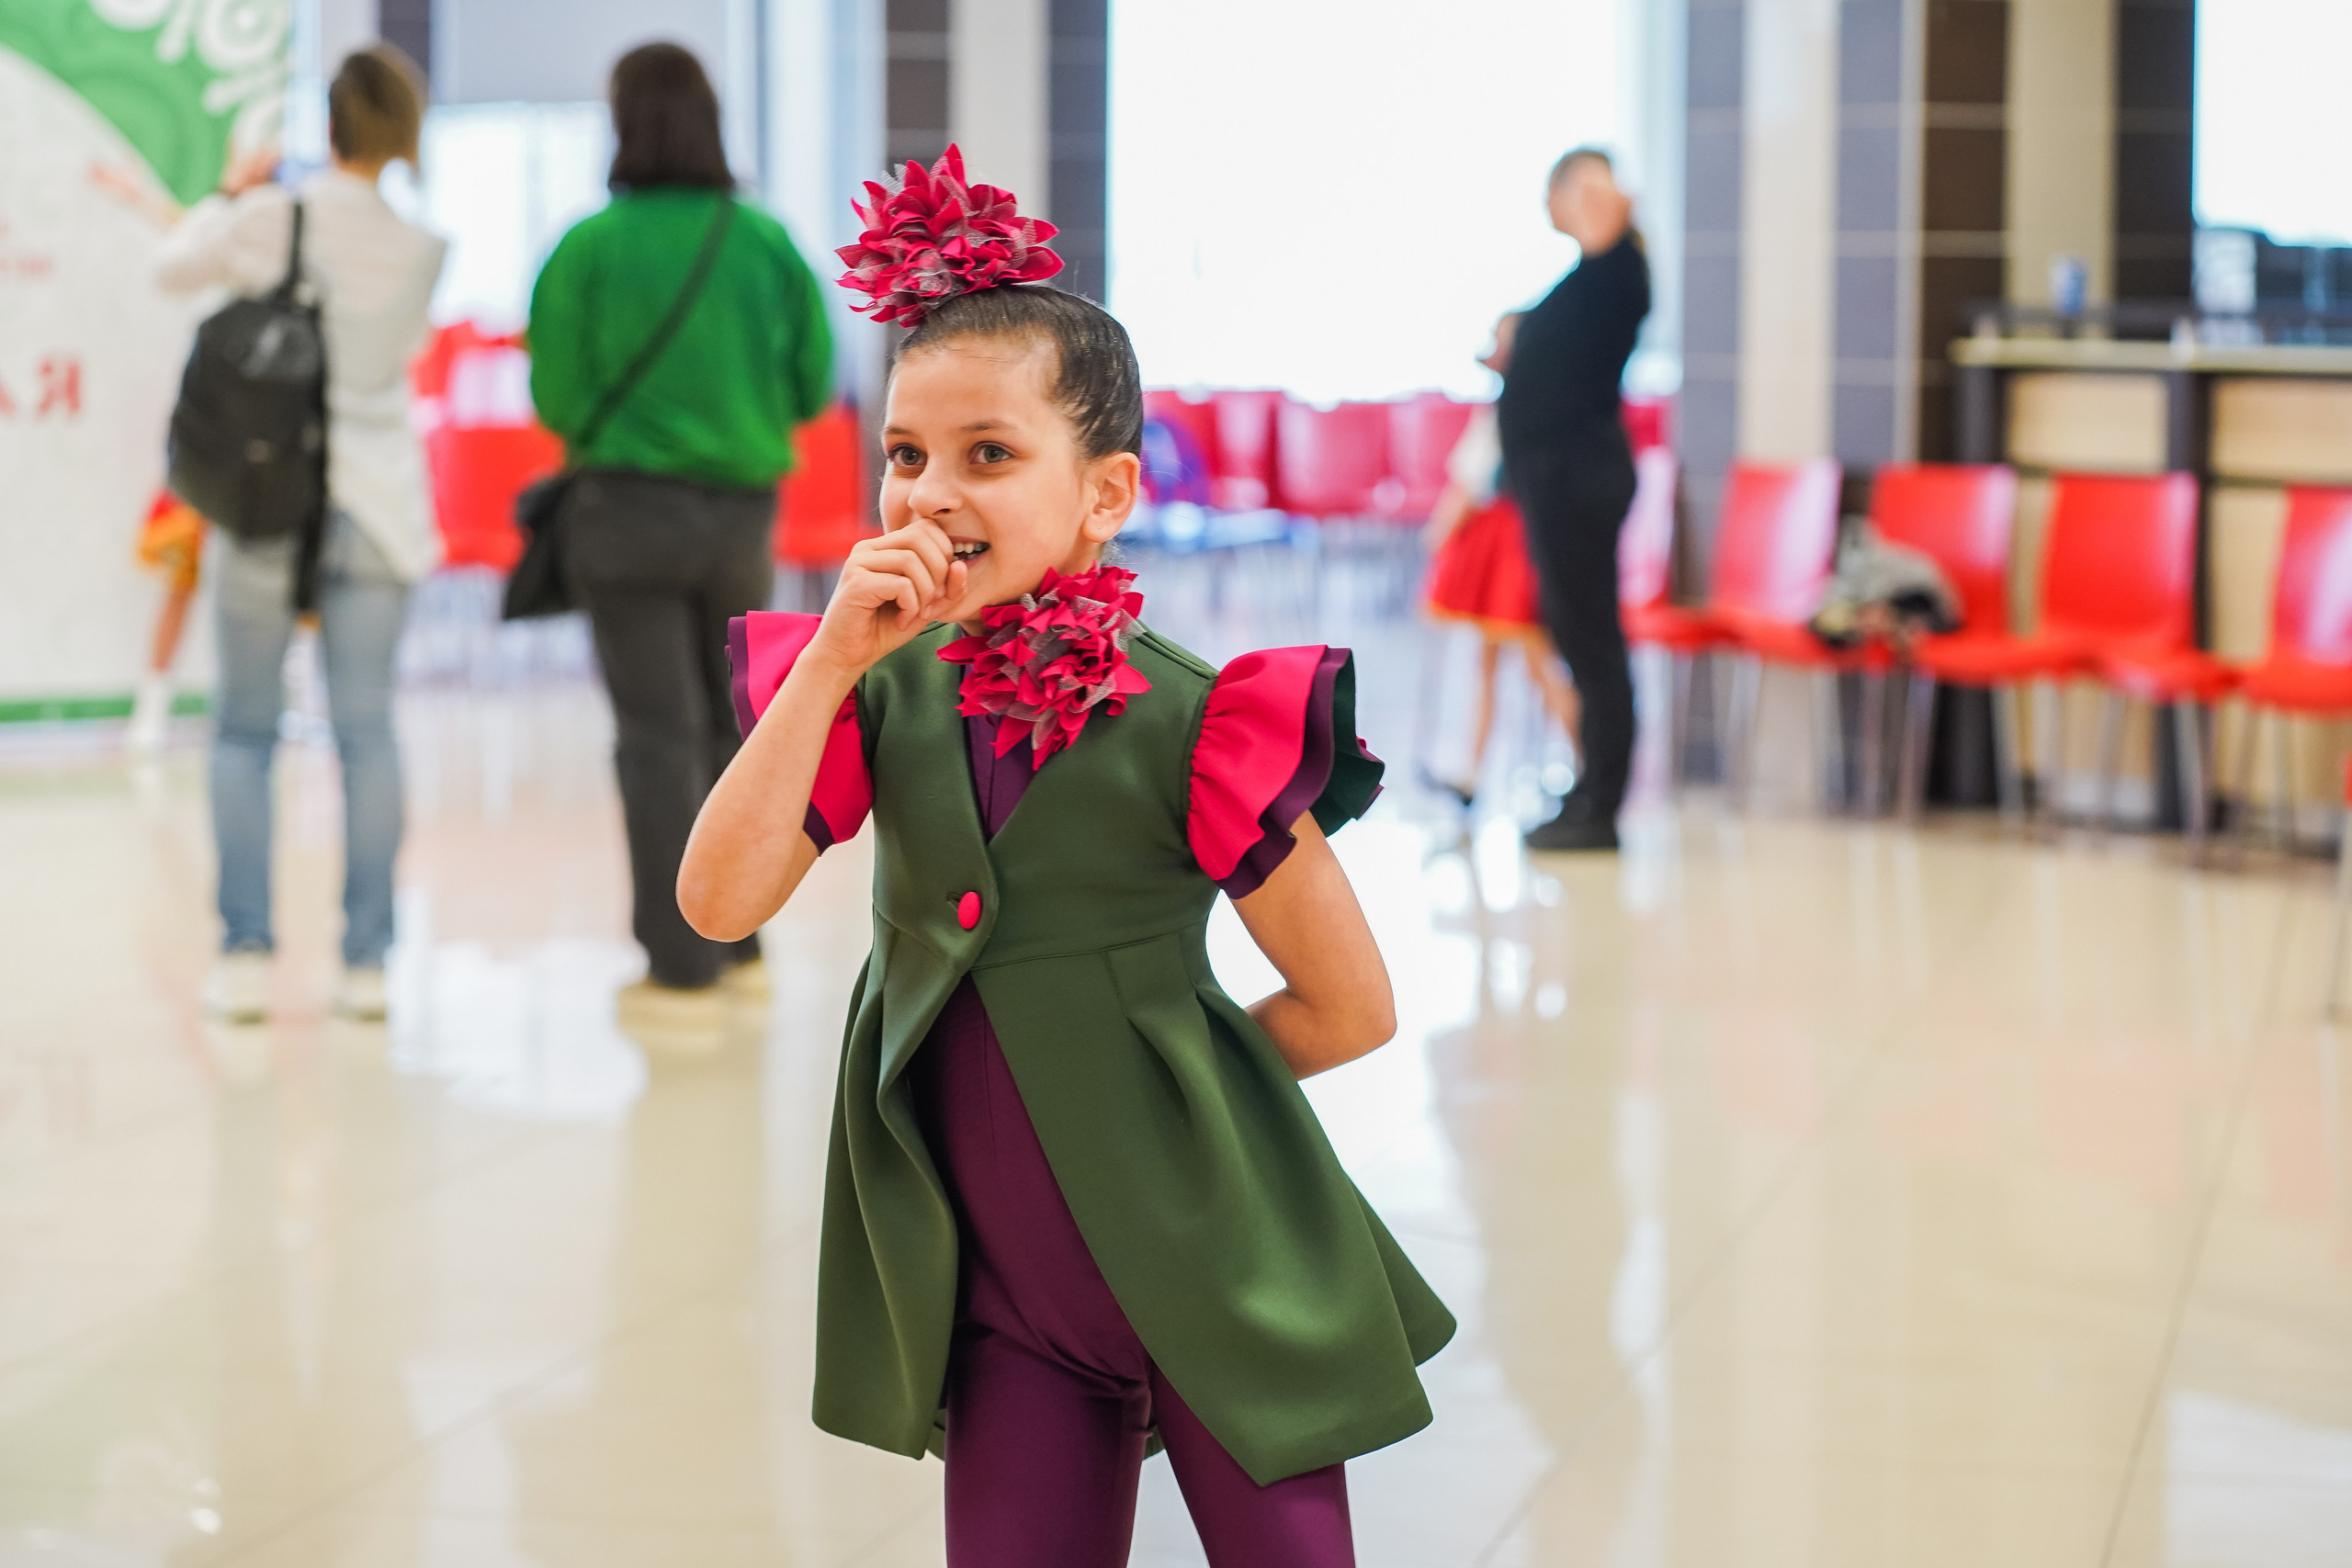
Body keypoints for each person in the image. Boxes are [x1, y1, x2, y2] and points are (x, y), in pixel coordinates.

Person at [676, 146, 1453, 1566]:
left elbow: (1353, 1004)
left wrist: (1147, 1100)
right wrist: (830, 664)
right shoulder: (874, 694)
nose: (931, 494)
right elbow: (718, 897)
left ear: (1104, 494)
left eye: (989, 454)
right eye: (906, 454)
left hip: (1222, 1262)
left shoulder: (1198, 720)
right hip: (1011, 1312)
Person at [526, 41, 833, 1044]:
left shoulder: (585, 247)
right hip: (741, 518)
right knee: (738, 731)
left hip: (625, 519)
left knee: (657, 737)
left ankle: (679, 956)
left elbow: (558, 399)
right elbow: (808, 385)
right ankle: (742, 940)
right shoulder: (764, 243)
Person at [152, 46, 447, 1022]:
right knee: (366, 734)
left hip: (265, 496)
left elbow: (171, 268)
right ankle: (367, 965)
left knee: (242, 731)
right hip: (376, 506)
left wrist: (227, 189)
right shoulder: (420, 247)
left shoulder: (276, 214)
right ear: (400, 131)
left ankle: (243, 957)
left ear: (328, 124)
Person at [1498, 146, 1650, 852]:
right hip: (1552, 479)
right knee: (1575, 634)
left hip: (1578, 479)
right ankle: (1590, 784)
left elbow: (1612, 250)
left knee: (1593, 640)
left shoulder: (1618, 271)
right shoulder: (1582, 280)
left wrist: (1600, 196)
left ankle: (1603, 803)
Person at [1421, 311, 1581, 806]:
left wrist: (1441, 530)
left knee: (1535, 664)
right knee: (1492, 664)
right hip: (1514, 540)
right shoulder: (1543, 406)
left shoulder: (1511, 409)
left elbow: (1472, 478)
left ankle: (1588, 762)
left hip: (1507, 547)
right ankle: (1472, 771)